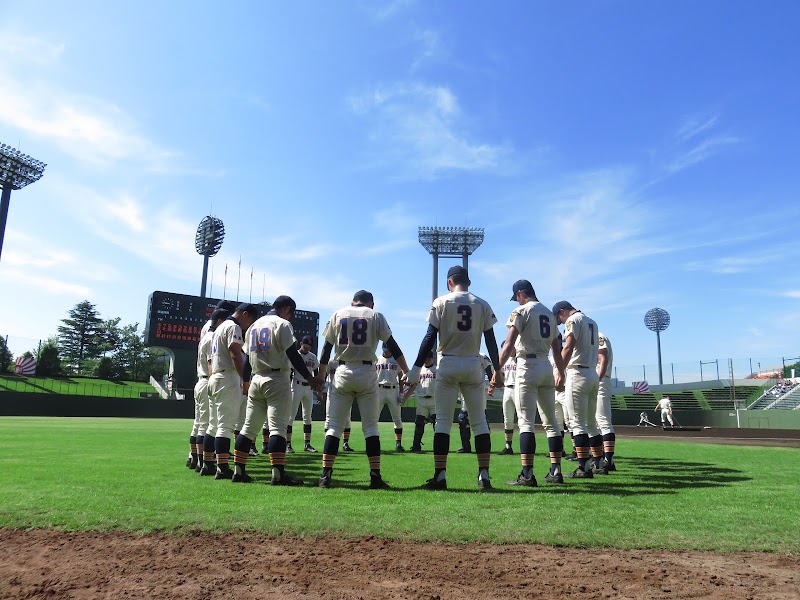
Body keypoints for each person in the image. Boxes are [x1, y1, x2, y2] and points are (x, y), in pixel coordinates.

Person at [403, 265, 501, 492]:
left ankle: (440, 476)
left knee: (444, 422)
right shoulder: (482, 304)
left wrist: (416, 367)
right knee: (479, 422)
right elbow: (491, 341)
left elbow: (430, 337)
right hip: (472, 363)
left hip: (447, 362)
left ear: (449, 282)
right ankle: (484, 476)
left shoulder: (441, 302)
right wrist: (497, 368)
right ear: (469, 282)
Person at [317, 290, 411, 489]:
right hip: (367, 371)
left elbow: (326, 349)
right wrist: (407, 371)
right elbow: (393, 346)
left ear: (353, 302)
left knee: (334, 426)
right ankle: (375, 477)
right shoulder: (376, 316)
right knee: (370, 427)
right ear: (371, 304)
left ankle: (325, 476)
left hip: (342, 370)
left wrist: (320, 375)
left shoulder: (338, 314)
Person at [230, 296, 323, 484]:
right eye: (292, 313)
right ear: (287, 309)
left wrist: (245, 381)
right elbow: (292, 354)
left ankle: (238, 472)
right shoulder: (282, 324)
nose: (291, 317)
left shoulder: (254, 325)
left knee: (248, 428)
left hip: (256, 379)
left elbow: (247, 359)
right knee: (277, 429)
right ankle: (278, 476)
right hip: (277, 378)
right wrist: (310, 378)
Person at [495, 280, 566, 486]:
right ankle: (556, 471)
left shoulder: (521, 311)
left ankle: (527, 474)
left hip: (527, 365)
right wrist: (560, 372)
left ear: (520, 293)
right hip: (546, 366)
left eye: (516, 296)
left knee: (526, 422)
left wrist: (497, 369)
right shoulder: (550, 315)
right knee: (551, 423)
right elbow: (557, 349)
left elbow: (509, 344)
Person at [203, 303, 259, 480]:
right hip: (227, 377)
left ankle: (207, 464)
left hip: (215, 376)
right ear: (245, 314)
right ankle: (222, 468)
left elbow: (211, 360)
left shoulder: (218, 329)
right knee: (225, 427)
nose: (248, 325)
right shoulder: (233, 326)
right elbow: (235, 352)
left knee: (213, 426)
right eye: (250, 320)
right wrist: (245, 379)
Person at [552, 300, 600, 479]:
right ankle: (598, 462)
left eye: (559, 318)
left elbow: (569, 347)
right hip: (592, 374)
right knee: (591, 423)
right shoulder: (592, 321)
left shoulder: (573, 320)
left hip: (577, 373)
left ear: (563, 311)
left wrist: (559, 372)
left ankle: (584, 467)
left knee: (576, 423)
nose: (561, 322)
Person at [188, 307, 229, 471]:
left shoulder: (205, 337)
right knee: (208, 425)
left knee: (199, 424)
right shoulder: (213, 337)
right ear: (219, 321)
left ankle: (196, 460)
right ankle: (203, 463)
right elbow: (212, 362)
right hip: (208, 380)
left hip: (201, 381)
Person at [286, 335, 320, 453]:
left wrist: (318, 390)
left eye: (309, 347)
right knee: (291, 416)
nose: (306, 349)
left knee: (307, 417)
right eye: (305, 346)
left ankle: (307, 444)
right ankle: (288, 444)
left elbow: (316, 373)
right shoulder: (295, 355)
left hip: (309, 388)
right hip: (296, 385)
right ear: (301, 344)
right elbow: (289, 372)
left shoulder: (313, 357)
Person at [376, 343, 406, 451]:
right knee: (374, 418)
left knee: (397, 418)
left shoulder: (396, 360)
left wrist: (401, 393)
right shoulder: (377, 359)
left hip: (393, 390)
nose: (387, 352)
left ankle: (398, 444)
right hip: (379, 389)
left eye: (388, 350)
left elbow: (401, 378)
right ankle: (374, 444)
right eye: (385, 349)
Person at [595, 331, 616, 472]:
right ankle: (607, 459)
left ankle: (607, 460)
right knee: (597, 422)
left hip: (600, 380)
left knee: (603, 421)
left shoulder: (597, 335)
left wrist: (597, 380)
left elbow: (603, 358)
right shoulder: (594, 334)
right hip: (600, 379)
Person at [410, 351, 436, 452]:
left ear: (432, 359)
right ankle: (416, 445)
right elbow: (413, 383)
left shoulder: (437, 370)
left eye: (428, 359)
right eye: (425, 359)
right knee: (419, 424)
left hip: (434, 399)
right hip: (422, 399)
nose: (427, 361)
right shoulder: (419, 370)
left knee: (437, 424)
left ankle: (439, 446)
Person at [495, 344, 517, 455]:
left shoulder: (520, 359)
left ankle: (527, 447)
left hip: (518, 389)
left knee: (523, 420)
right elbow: (501, 375)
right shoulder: (506, 361)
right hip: (507, 389)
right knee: (507, 420)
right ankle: (508, 446)